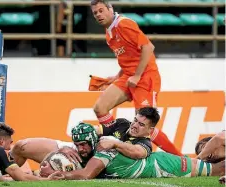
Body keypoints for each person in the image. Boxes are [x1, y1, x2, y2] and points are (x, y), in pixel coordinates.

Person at [90, 0, 182, 156]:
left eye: (101, 10)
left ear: (110, 9)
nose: (98, 14)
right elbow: (129, 57)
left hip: (145, 76)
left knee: (145, 124)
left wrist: (138, 75)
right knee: (100, 108)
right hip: (128, 76)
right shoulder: (109, 32)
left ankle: (181, 159)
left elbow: (148, 47)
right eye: (95, 13)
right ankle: (116, 140)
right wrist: (117, 76)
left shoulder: (124, 24)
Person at [11, 106, 168, 173]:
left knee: (42, 174)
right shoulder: (122, 124)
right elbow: (94, 130)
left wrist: (114, 143)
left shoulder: (144, 145)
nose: (134, 125)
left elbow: (137, 153)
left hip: (84, 164)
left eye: (141, 124)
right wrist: (79, 134)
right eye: (135, 120)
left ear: (150, 130)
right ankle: (0, 175)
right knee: (20, 146)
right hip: (76, 148)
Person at [41, 123, 225, 180]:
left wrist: (61, 176)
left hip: (163, 165)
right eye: (76, 145)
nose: (80, 149)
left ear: (92, 141)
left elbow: (87, 174)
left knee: (217, 170)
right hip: (157, 161)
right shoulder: (89, 149)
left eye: (83, 145)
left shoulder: (103, 150)